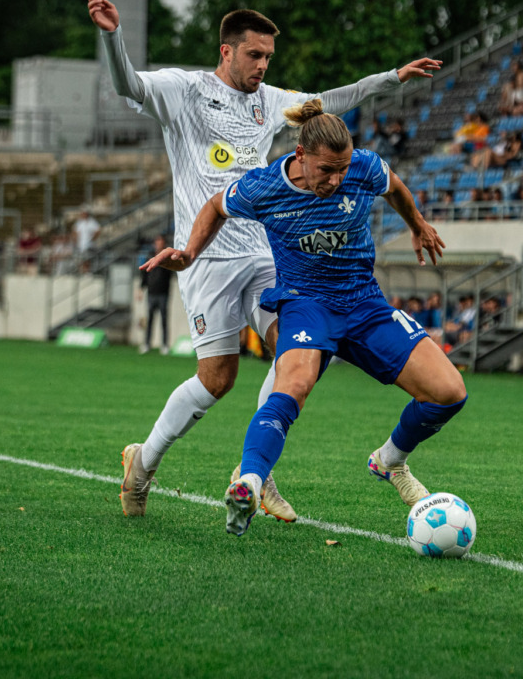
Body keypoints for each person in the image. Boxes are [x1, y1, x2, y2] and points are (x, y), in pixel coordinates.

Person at [88, 0, 442, 521]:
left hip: (262, 253)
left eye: (269, 58)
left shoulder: (269, 100)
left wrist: (391, 77)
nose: (263, 66)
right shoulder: (184, 90)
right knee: (218, 379)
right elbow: (127, 85)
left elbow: (331, 100)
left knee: (300, 353)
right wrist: (113, 36)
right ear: (227, 51)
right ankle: (143, 462)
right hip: (204, 256)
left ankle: (255, 472)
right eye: (255, 55)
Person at [147, 100, 463, 537]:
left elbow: (394, 187)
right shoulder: (264, 187)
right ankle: (249, 483)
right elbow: (216, 206)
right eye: (325, 171)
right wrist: (189, 254)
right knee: (292, 384)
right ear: (301, 157)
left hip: (365, 304)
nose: (336, 180)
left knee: (450, 393)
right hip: (306, 304)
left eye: (342, 169)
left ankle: (389, 460)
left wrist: (418, 224)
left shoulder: (364, 167)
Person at [140, 234, 173, 355]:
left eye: (161, 242)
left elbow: (171, 273)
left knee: (164, 320)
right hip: (151, 292)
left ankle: (164, 345)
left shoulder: (167, 258)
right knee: (150, 320)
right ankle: (147, 344)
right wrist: (141, 288)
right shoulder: (150, 256)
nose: (159, 244)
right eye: (157, 241)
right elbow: (144, 274)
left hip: (163, 293)